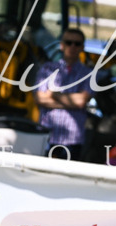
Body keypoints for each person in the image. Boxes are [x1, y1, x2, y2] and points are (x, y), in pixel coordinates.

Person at [35, 28, 92, 160]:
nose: (72, 46)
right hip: (47, 134)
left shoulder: (88, 73)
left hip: (72, 139)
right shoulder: (47, 68)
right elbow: (39, 98)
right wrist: (71, 101)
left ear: (82, 47)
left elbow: (81, 101)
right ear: (61, 45)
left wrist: (54, 95)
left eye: (77, 43)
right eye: (68, 42)